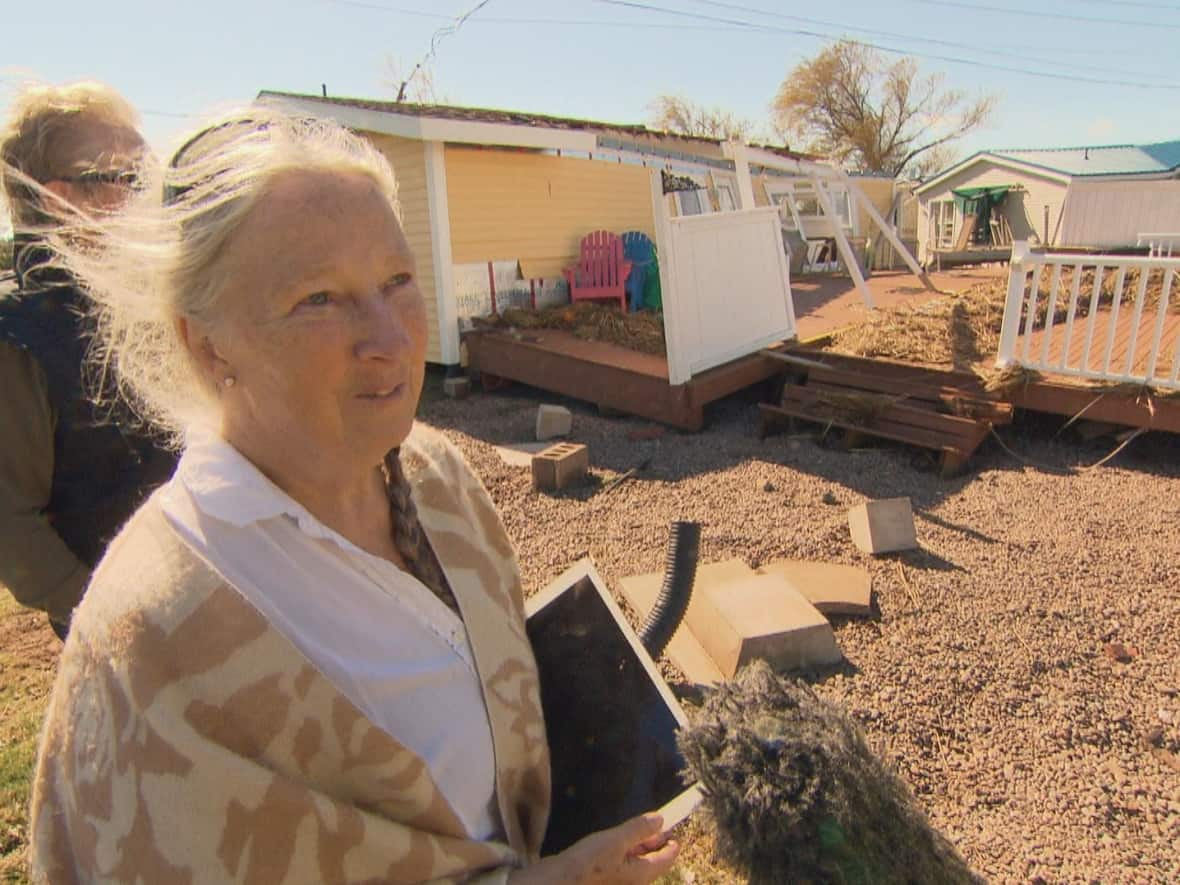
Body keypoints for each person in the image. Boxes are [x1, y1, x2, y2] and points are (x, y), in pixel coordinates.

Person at [29, 109, 680, 884]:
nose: (391, 338)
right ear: (207, 343)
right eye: (319, 299)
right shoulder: (149, 640)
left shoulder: (438, 480)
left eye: (398, 281)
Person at [0, 82, 178, 638]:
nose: (147, 195)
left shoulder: (141, 298)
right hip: (126, 633)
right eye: (125, 178)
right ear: (60, 200)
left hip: (198, 594)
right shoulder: (17, 335)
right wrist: (110, 618)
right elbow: (11, 524)